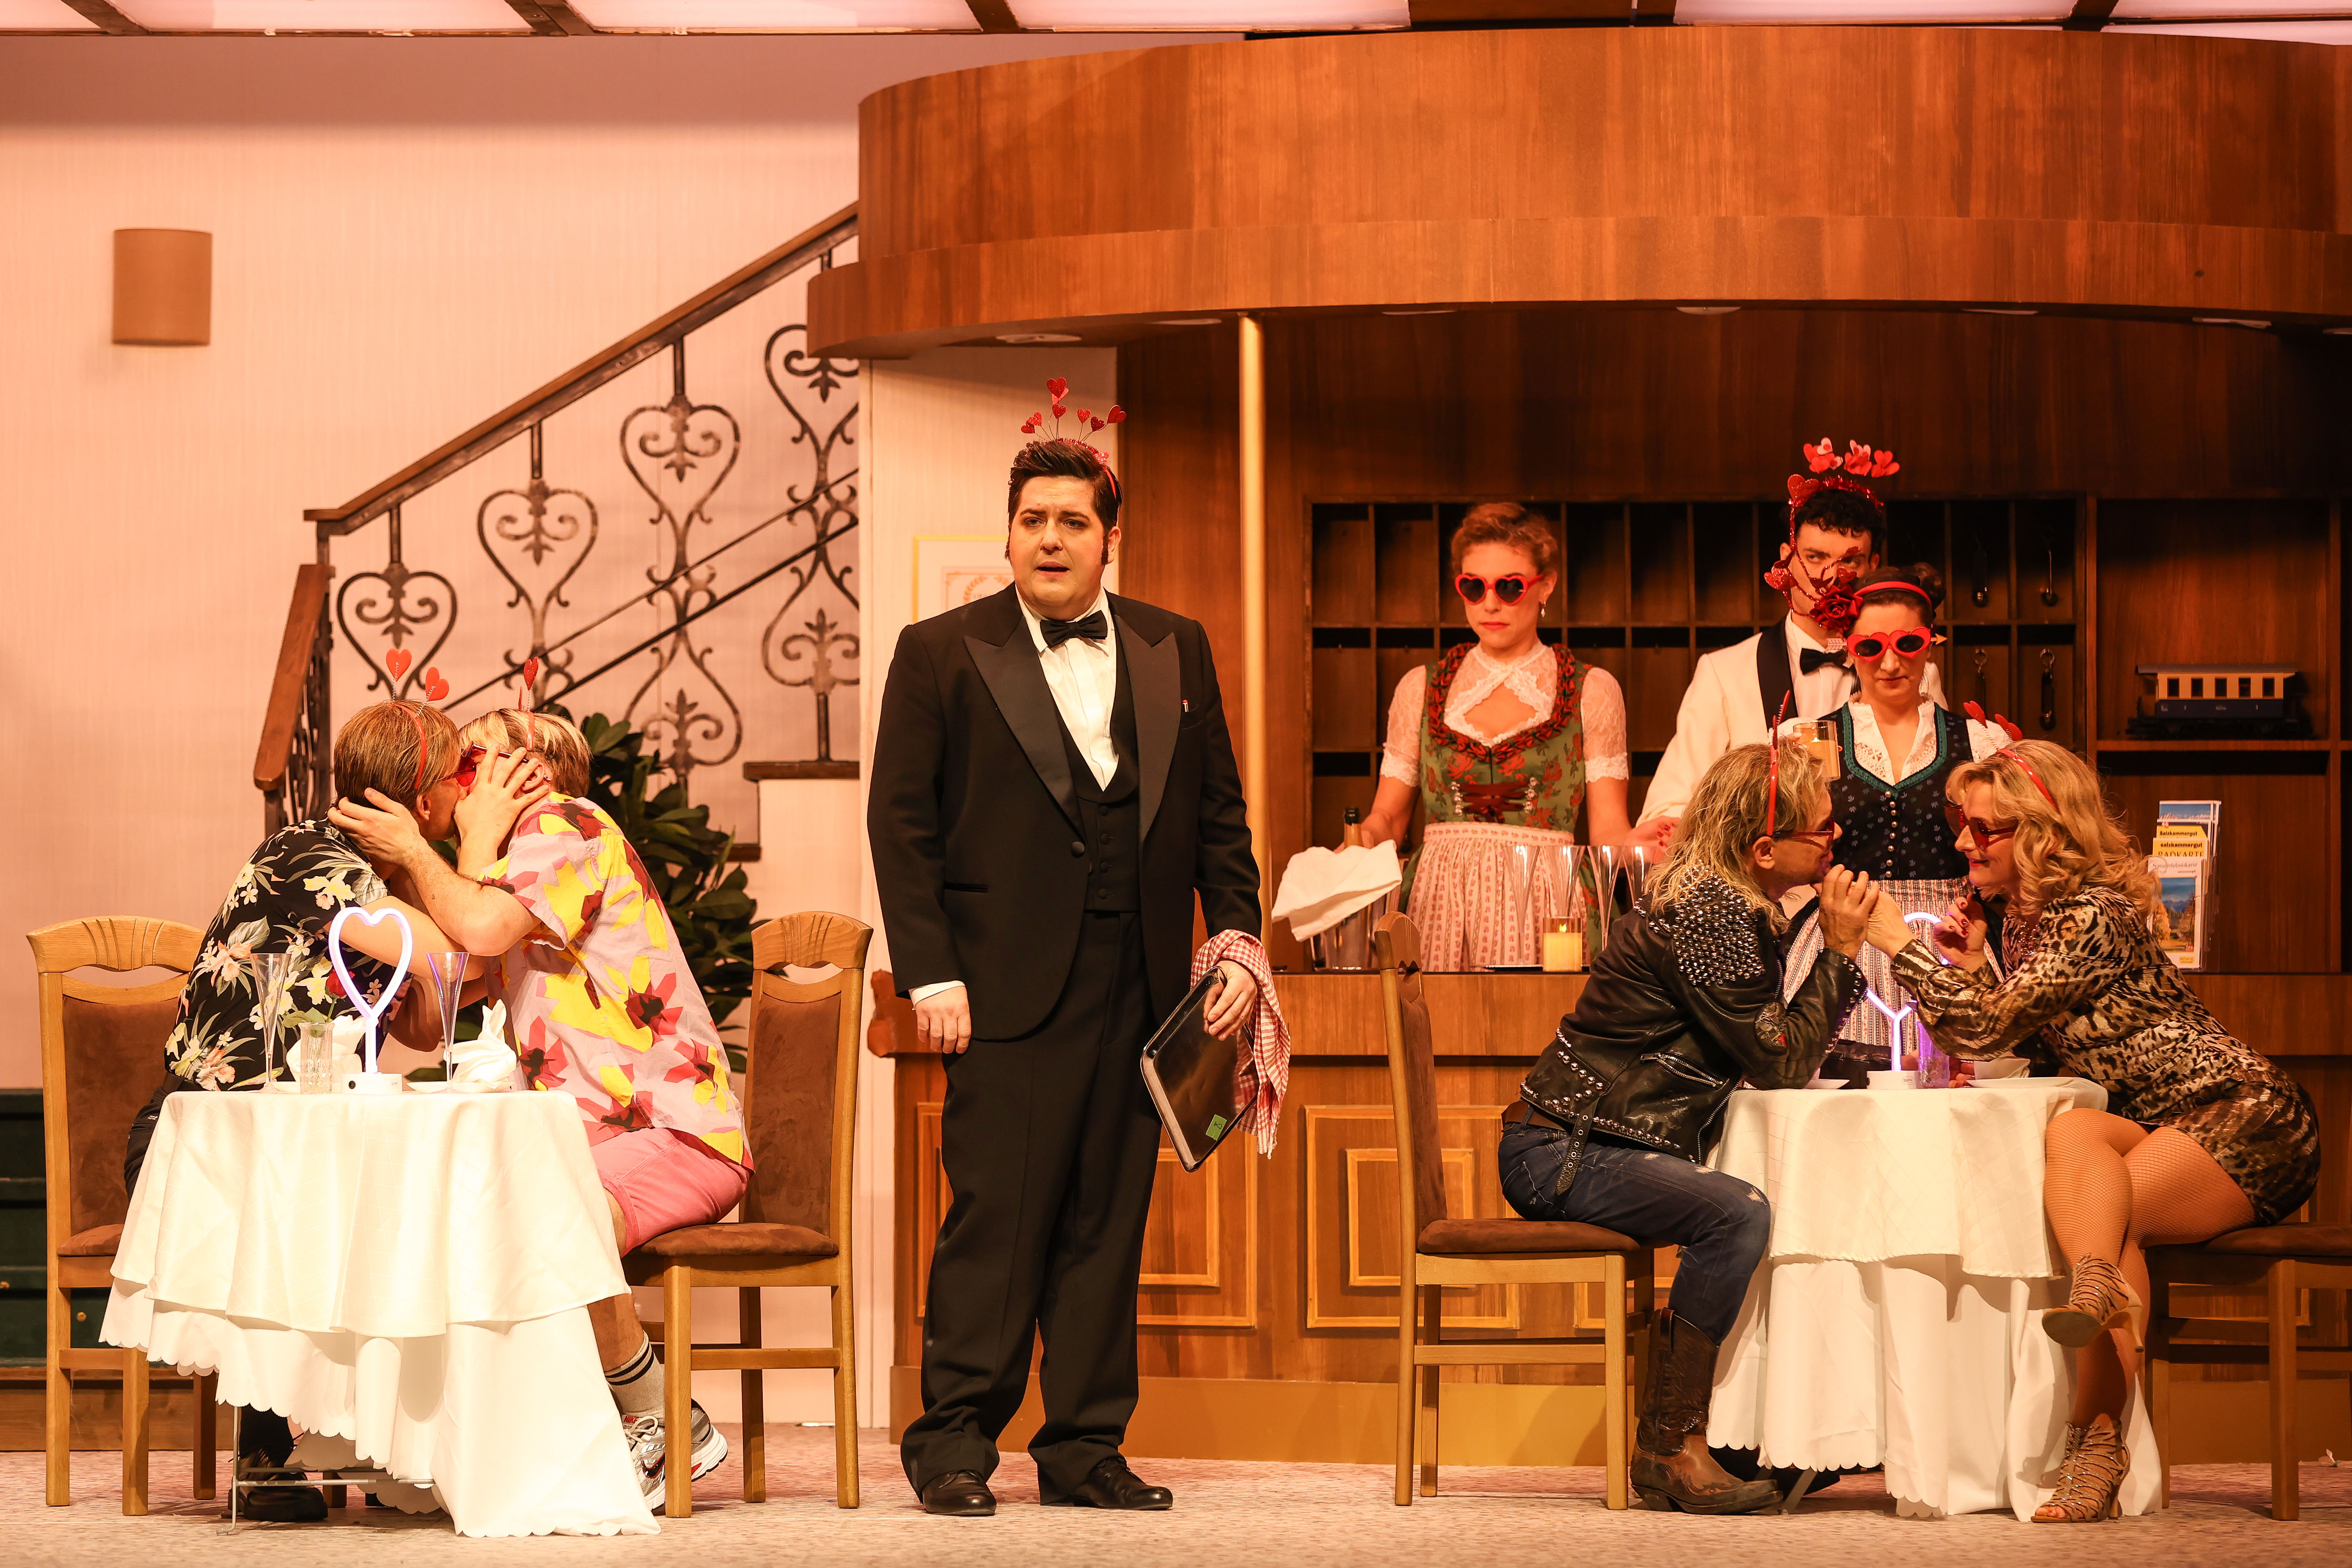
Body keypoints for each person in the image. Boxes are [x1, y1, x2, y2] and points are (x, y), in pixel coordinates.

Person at [868, 399, 1264, 1517]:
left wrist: (1233, 937)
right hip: (999, 986)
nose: (1049, 537)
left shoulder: (1173, 644)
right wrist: (929, 973)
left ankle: (1084, 1443)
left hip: (1140, 988)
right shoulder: (939, 652)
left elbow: (1218, 816)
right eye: (1031, 518)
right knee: (995, 1216)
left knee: (1105, 1220)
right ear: (1007, 534)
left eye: (1072, 521)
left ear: (1107, 539)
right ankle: (952, 1441)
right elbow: (900, 827)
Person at [1864, 740, 2321, 1523]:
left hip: (2246, 1115)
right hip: (2154, 1125)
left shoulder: (2091, 916)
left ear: (2042, 831)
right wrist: (1976, 964)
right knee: (2073, 1145)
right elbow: (2025, 1045)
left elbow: (1980, 1031)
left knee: (2100, 1233)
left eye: (1986, 829)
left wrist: (1894, 943)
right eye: (1962, 825)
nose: (1965, 843)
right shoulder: (2026, 924)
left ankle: (2094, 1443)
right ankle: (2095, 1399)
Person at [330, 706, 745, 1509]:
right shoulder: (517, 878)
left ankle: (663, 1414)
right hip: (587, 1142)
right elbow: (439, 1009)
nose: (460, 780)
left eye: (474, 761)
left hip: (677, 1133)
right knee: (470, 1198)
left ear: (527, 773)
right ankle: (459, 1440)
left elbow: (478, 929)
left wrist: (425, 850)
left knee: (551, 1197)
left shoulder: (569, 825)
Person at [1499, 738, 1878, 1514]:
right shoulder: (1710, 913)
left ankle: (1748, 1432)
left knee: (1747, 1206)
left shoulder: (1726, 902)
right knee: (1732, 1213)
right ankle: (1671, 1445)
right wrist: (1838, 947)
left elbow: (1768, 1042)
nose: (1835, 844)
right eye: (1823, 832)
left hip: (1598, 1140)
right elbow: (1776, 1056)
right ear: (1763, 848)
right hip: (1566, 1147)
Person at [124, 700, 480, 1522]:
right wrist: (442, 866)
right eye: (457, 783)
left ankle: (378, 1439)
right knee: (340, 1199)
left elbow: (426, 1019)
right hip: (199, 1148)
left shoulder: (355, 871)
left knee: (387, 1195)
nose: (463, 799)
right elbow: (456, 957)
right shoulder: (323, 864)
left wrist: (424, 908)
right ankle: (274, 1441)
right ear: (422, 803)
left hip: (293, 1140)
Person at [1357, 503, 1637, 970]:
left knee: (1538, 1032)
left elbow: (1608, 831)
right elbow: (1388, 817)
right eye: (1473, 586)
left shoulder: (1592, 689)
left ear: (1545, 585)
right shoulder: (1419, 687)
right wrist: (1362, 837)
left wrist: (1648, 845)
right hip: (1437, 897)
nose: (1489, 603)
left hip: (1548, 897)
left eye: (1509, 587)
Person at [1641, 438, 1945, 842]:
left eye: (1850, 561)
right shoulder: (1724, 673)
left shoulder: (1917, 672)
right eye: (1815, 557)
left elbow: (1937, 792)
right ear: (1787, 557)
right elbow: (1670, 807)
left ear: (1873, 566)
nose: (1829, 576)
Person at [1778, 564, 2007, 1085]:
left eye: (1907, 642)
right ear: (1848, 647)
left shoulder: (1979, 740)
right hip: (1843, 933)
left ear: (1931, 643)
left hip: (1948, 937)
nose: (1890, 662)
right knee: (1847, 1103)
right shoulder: (1809, 738)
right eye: (1870, 647)